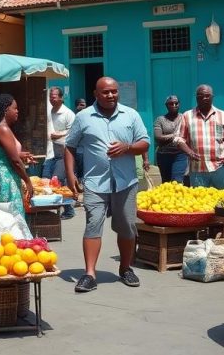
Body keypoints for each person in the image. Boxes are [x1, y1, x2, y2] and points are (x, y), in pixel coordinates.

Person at [65, 77, 150, 292]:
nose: (111, 95)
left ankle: (125, 268)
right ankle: (89, 274)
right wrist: (70, 174)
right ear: (96, 93)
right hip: (95, 182)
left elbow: (145, 142)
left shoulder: (131, 115)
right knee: (93, 224)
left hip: (126, 182)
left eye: (114, 91)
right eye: (106, 92)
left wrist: (127, 148)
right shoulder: (83, 117)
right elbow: (70, 146)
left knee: (128, 226)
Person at [174, 84, 224, 189]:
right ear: (196, 97)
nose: (204, 98)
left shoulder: (222, 115)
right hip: (198, 169)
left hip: (221, 167)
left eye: (207, 95)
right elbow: (179, 139)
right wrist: (189, 152)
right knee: (201, 202)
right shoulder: (187, 115)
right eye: (200, 96)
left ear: (212, 97)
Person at [0, 94, 36, 218]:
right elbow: (15, 161)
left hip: (0, 175)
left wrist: (20, 154)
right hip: (4, 178)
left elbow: (5, 154)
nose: (17, 111)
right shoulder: (3, 129)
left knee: (5, 216)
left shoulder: (2, 128)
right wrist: (28, 181)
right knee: (11, 216)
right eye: (15, 108)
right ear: (6, 110)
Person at [45, 87, 76, 218]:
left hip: (64, 153)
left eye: (55, 96)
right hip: (49, 152)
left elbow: (73, 133)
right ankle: (50, 209)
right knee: (46, 180)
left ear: (61, 98)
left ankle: (69, 210)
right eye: (51, 96)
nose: (52, 99)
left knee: (58, 180)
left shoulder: (68, 114)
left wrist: (59, 135)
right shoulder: (48, 112)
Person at [153, 95, 186, 184]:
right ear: (166, 105)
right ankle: (168, 198)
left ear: (179, 104)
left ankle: (177, 197)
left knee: (177, 181)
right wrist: (175, 135)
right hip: (164, 155)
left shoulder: (184, 118)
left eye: (176, 103)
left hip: (180, 154)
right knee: (166, 182)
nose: (174, 105)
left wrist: (167, 137)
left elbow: (187, 135)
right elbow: (158, 137)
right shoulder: (160, 120)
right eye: (171, 103)